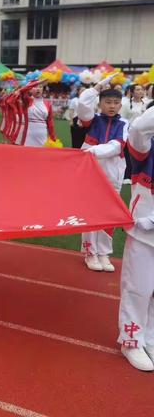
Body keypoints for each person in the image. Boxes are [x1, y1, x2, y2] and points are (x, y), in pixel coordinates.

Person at [78, 76, 128, 272]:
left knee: (108, 214)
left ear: (121, 105)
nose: (112, 106)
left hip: (113, 173)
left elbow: (116, 147)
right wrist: (97, 87)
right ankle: (90, 252)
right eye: (108, 102)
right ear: (99, 103)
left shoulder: (124, 123)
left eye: (116, 103)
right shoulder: (92, 120)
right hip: (91, 172)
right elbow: (83, 105)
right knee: (90, 212)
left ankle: (104, 252)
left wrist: (88, 152)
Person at [118, 102, 154, 371]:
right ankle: (131, 340)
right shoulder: (145, 148)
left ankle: (150, 338)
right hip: (144, 233)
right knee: (139, 290)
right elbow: (140, 127)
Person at [15, 82, 56, 147]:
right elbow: (22, 91)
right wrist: (33, 83)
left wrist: (53, 138)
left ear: (42, 89)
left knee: (42, 156)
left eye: (40, 87)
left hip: (42, 135)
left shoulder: (47, 103)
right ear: (30, 89)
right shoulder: (26, 100)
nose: (38, 89)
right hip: (28, 135)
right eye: (35, 87)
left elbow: (50, 122)